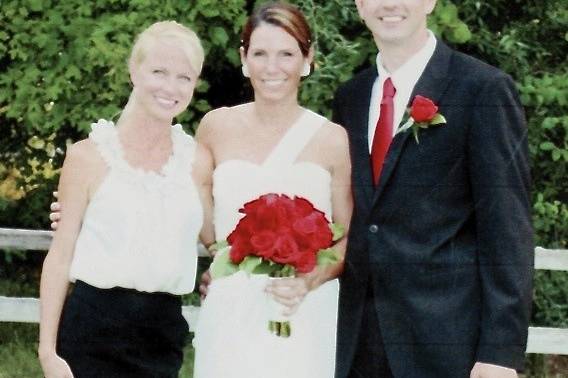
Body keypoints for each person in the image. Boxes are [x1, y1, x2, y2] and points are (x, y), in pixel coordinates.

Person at [332, 0, 534, 377]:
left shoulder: (482, 89)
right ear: (359, 6)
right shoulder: (351, 97)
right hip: (360, 342)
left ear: (429, 2)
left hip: (447, 343)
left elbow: (507, 228)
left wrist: (500, 353)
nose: (389, 4)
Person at [39, 21, 213, 378]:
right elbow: (60, 258)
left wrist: (221, 269)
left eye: (184, 77)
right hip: (91, 331)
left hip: (162, 333)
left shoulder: (197, 162)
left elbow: (219, 241)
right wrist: (47, 351)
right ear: (134, 70)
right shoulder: (89, 157)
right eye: (159, 72)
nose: (170, 87)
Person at [192, 2, 352, 377]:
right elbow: (187, 199)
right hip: (231, 308)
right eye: (260, 54)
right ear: (244, 59)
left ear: (307, 58)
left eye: (286, 54)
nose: (272, 67)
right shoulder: (215, 127)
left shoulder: (332, 139)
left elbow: (348, 235)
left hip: (305, 308)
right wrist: (219, 257)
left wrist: (307, 281)